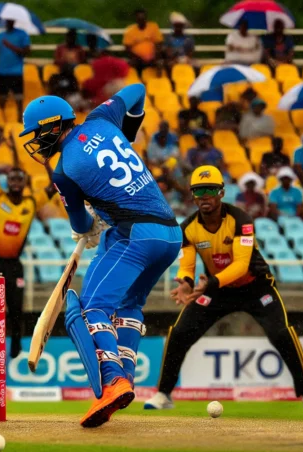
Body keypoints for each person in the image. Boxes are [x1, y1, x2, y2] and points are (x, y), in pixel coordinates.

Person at [19, 84, 181, 427]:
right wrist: (129, 133)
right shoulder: (103, 118)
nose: (35, 143)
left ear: (52, 127)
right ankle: (124, 379)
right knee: (129, 306)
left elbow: (79, 221)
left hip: (136, 236)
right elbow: (137, 89)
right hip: (170, 233)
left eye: (36, 134)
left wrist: (86, 227)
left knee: (92, 306)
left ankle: (113, 380)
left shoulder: (64, 170)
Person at [144, 165, 303, 412]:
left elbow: (241, 265)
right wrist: (185, 282)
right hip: (217, 290)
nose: (205, 196)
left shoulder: (241, 220)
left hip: (256, 287)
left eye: (210, 190)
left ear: (221, 193)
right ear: (192, 195)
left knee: (281, 333)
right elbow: (187, 265)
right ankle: (163, 394)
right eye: (199, 191)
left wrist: (211, 283)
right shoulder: (187, 228)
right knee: (180, 332)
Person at [0, 128, 54, 358]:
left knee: (16, 307)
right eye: (12, 178)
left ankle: (16, 345)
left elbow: (56, 185)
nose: (16, 181)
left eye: (20, 178)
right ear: (7, 181)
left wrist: (46, 162)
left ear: (25, 181)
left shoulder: (32, 202)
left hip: (13, 264)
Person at [0, 19, 31, 119]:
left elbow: (26, 51)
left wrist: (9, 45)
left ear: (14, 22)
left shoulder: (22, 34)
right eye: (7, 21)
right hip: (2, 71)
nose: (8, 23)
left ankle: (20, 119)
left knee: (19, 99)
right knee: (1, 98)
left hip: (16, 71)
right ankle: (2, 120)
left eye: (10, 21)